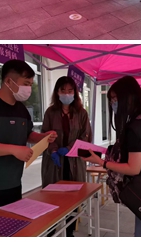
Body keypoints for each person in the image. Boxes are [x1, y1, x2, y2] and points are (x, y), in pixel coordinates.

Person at [0, 59, 57, 223]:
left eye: (30, 84)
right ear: (8, 81)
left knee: (10, 227)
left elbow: (27, 134)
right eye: (26, 84)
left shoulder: (22, 109)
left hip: (12, 184)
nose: (28, 89)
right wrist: (13, 149)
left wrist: (42, 137)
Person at [82, 76, 141, 237]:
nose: (113, 103)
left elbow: (133, 168)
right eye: (111, 99)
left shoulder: (135, 128)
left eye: (116, 98)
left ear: (129, 97)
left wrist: (101, 162)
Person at [41, 76, 92, 237]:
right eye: (63, 90)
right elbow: (44, 135)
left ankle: (69, 233)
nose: (66, 94)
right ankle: (51, 233)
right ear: (57, 92)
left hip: (74, 162)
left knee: (73, 199)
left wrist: (69, 149)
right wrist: (53, 150)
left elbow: (86, 137)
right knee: (52, 198)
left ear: (75, 93)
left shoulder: (81, 113)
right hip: (54, 162)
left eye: (70, 90)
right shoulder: (50, 112)